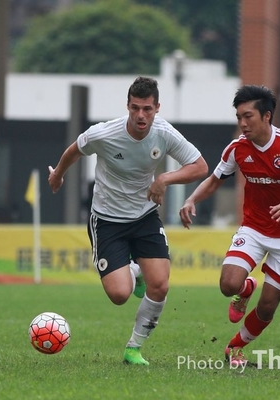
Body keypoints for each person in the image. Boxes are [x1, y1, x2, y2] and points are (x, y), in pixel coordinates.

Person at [48, 76, 208, 365]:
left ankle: (134, 348)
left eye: (147, 109)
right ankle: (135, 271)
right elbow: (74, 150)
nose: (140, 115)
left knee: (160, 285)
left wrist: (164, 179)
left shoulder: (164, 133)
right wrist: (58, 175)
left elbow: (200, 166)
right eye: (135, 108)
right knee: (120, 294)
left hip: (145, 216)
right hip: (107, 220)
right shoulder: (105, 134)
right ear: (127, 106)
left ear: (157, 108)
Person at [179, 85, 280, 366]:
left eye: (248, 116)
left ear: (266, 116)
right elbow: (215, 181)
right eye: (238, 117)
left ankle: (236, 346)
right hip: (254, 229)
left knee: (267, 307)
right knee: (228, 284)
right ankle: (245, 289)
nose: (242, 124)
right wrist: (192, 199)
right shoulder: (237, 148)